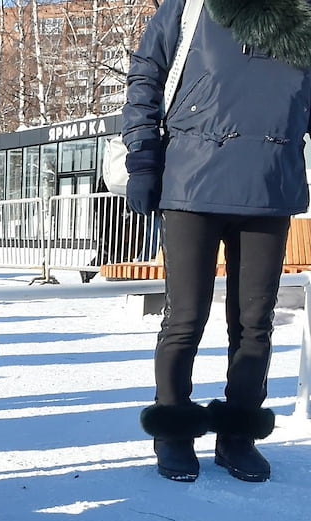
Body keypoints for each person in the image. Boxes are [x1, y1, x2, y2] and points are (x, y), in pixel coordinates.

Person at [123, 0, 311, 483]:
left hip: (270, 184)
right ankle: (173, 432)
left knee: (255, 322)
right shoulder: (189, 7)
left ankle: (238, 434)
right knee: (185, 316)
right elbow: (146, 75)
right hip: (192, 184)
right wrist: (143, 158)